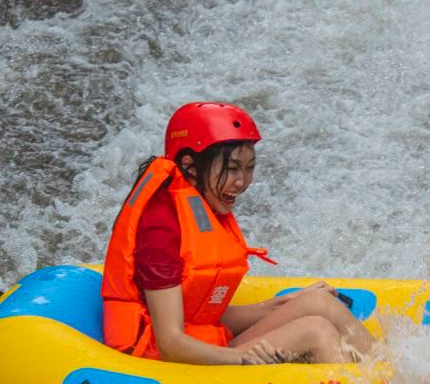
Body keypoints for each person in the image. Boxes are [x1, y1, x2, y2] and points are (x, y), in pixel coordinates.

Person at [100, 102, 375, 366]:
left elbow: (196, 314)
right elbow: (171, 343)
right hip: (165, 363)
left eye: (249, 167)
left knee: (318, 303)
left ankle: (393, 374)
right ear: (189, 164)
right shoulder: (161, 227)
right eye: (232, 169)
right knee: (316, 331)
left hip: (203, 345)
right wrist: (241, 358)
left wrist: (271, 307)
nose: (242, 182)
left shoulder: (199, 205)